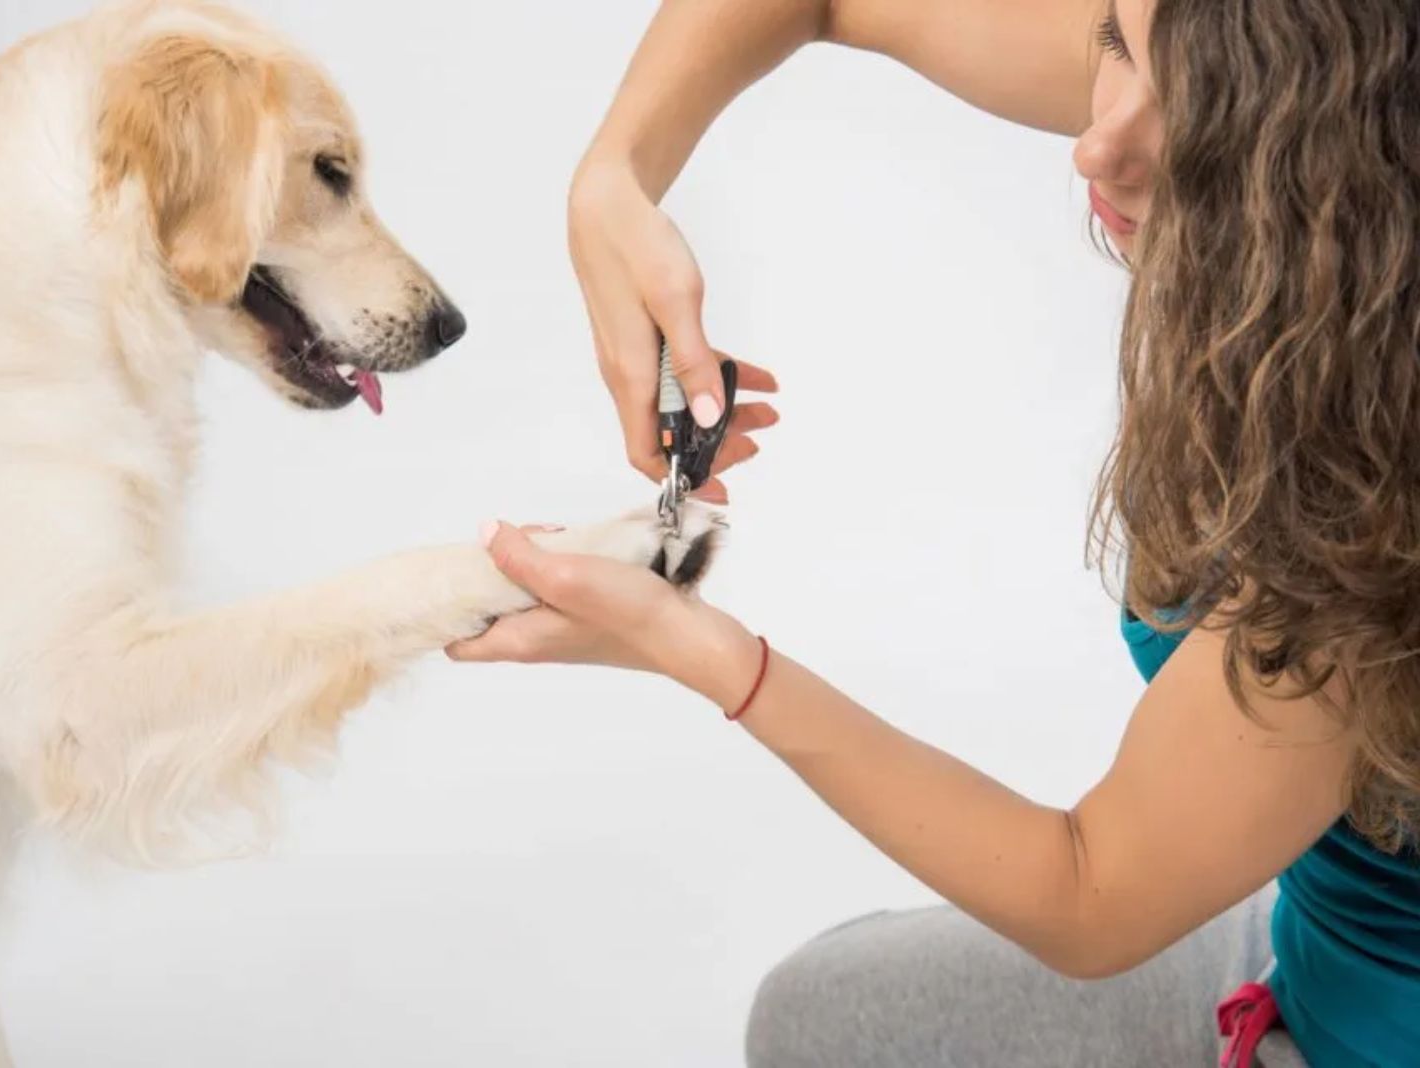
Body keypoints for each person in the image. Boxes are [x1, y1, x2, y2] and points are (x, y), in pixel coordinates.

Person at [448, 0, 1420, 1064]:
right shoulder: (1235, 53)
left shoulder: (1383, 502)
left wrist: (702, 654)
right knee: (816, 1013)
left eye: (1193, 114)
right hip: (1300, 937)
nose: (1096, 142)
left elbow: (1092, 894)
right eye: (1112, 44)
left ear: (1351, 174)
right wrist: (613, 179)